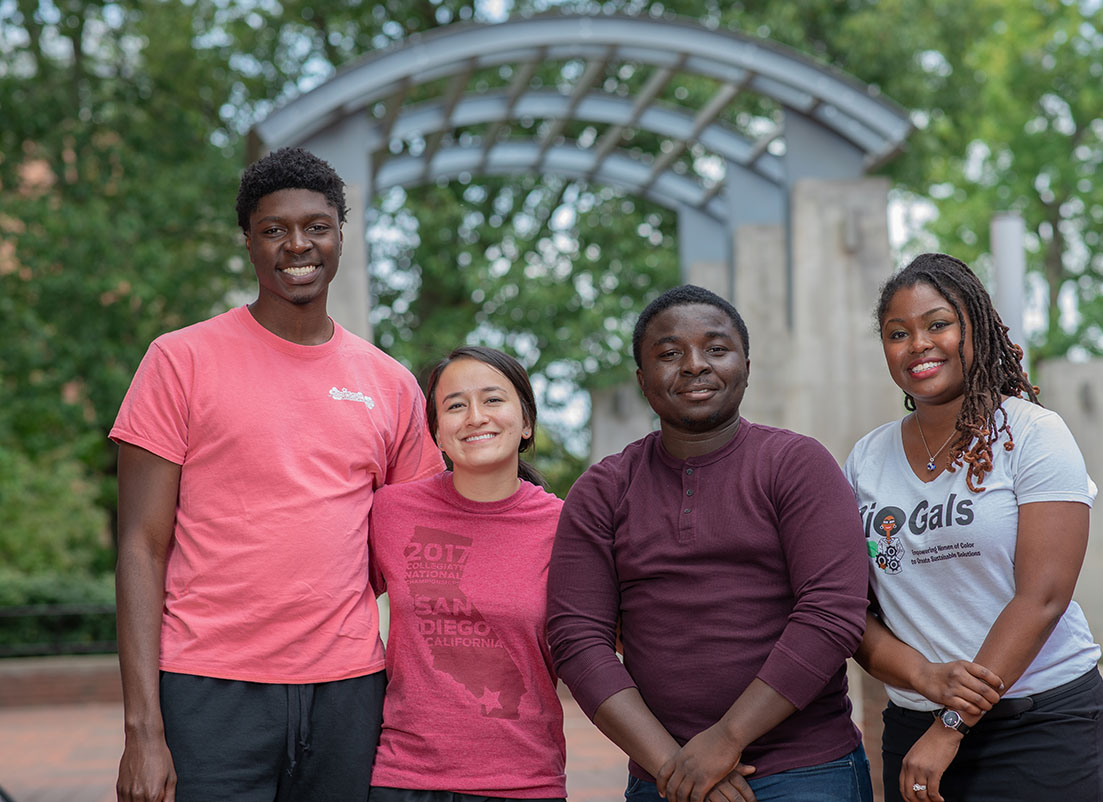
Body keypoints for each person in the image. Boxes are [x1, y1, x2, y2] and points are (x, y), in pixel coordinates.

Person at [110, 147, 445, 802]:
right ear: (250, 242)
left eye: (317, 226)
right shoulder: (179, 361)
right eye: (275, 229)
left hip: (349, 690)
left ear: (342, 235)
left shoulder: (392, 384)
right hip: (208, 689)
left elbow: (409, 556)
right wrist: (143, 730)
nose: (299, 244)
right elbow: (140, 548)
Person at [547, 285, 872, 802]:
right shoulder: (603, 489)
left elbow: (832, 614)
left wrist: (726, 740)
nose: (695, 365)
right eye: (670, 353)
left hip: (806, 772)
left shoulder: (797, 465)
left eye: (716, 349)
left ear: (746, 364)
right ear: (642, 379)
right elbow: (576, 637)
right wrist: (678, 769)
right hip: (663, 778)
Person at [844, 252, 1103, 802]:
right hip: (913, 725)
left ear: (975, 329)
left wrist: (951, 726)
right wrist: (924, 680)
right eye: (898, 333)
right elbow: (850, 608)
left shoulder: (1033, 434)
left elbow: (1042, 598)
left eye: (937, 323)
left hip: (1038, 723)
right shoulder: (866, 460)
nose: (918, 343)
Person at [368, 346, 567, 802]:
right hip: (403, 779)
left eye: (493, 400)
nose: (475, 417)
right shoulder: (391, 512)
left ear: (527, 422)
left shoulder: (565, 527)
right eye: (455, 405)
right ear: (436, 433)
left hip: (524, 780)